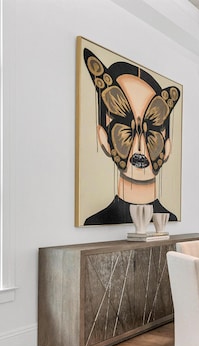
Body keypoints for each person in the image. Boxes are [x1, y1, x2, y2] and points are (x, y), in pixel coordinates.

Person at [82, 48, 181, 225]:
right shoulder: (94, 221)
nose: (140, 144)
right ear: (103, 137)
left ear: (167, 147)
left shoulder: (171, 220)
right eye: (125, 125)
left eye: (153, 128)